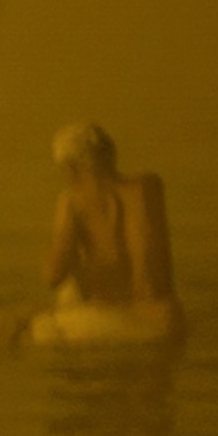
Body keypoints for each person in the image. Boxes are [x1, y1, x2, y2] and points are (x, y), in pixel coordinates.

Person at [36, 122, 181, 341]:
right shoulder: (149, 187)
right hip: (167, 320)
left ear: (72, 167)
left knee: (39, 328)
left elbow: (52, 277)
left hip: (119, 321)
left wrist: (57, 246)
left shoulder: (73, 202)